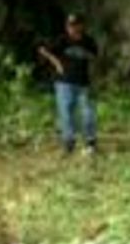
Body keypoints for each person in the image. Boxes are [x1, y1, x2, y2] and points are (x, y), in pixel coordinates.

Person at [37, 15, 99, 154]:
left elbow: (95, 57)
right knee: (66, 112)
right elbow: (43, 50)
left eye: (76, 24)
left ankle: (90, 142)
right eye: (70, 25)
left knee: (88, 112)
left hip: (83, 83)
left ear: (82, 26)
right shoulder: (62, 40)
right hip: (64, 82)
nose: (72, 28)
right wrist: (57, 63)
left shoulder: (88, 41)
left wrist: (95, 76)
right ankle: (68, 142)